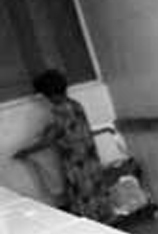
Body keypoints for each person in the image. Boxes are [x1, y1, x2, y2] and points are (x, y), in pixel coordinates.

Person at [15, 69, 110, 222]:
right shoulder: (76, 104)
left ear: (49, 94)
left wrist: (25, 152)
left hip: (77, 163)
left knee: (84, 198)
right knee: (97, 193)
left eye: (45, 96)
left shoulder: (58, 111)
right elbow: (68, 128)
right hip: (90, 157)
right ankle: (108, 226)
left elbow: (48, 140)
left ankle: (93, 232)